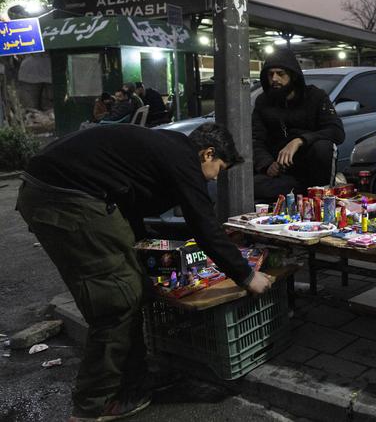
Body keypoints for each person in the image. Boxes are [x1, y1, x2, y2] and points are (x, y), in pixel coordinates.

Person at [16, 123, 274, 421]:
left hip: (55, 192)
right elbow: (203, 224)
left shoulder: (167, 146)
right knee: (116, 301)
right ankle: (93, 406)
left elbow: (129, 204)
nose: (216, 177)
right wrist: (246, 275)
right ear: (208, 153)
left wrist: (142, 248)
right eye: (220, 168)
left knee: (132, 285)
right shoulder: (183, 159)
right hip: (67, 200)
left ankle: (133, 385)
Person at [253, 49, 345, 201]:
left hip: (312, 169)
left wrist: (300, 141)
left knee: (323, 146)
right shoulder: (263, 102)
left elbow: (336, 132)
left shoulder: (315, 97)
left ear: (293, 75)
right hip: (284, 174)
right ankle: (298, 197)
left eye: (280, 74)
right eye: (270, 74)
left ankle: (320, 198)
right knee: (248, 188)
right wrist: (267, 164)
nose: (274, 79)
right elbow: (256, 139)